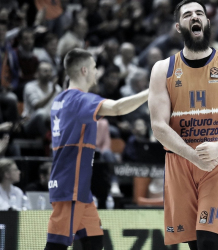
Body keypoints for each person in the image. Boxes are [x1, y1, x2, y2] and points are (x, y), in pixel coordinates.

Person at [148, 0, 218, 249]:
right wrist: (192, 155)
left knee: (209, 240)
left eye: (200, 13)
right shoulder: (162, 69)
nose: (195, 17)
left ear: (207, 22)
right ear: (178, 26)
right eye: (188, 15)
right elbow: (159, 127)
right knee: (194, 243)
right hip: (180, 160)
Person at [44, 48, 149, 250]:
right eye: (94, 68)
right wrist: (152, 91)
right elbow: (118, 108)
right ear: (84, 71)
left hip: (80, 188)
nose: (96, 72)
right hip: (70, 187)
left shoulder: (60, 100)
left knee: (94, 242)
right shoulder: (79, 100)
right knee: (55, 246)